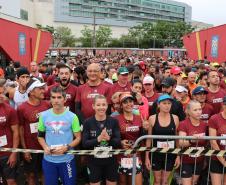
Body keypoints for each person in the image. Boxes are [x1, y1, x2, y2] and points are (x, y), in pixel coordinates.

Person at [37, 86, 81, 185]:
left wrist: (67, 147)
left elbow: (78, 138)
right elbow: (40, 136)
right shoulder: (43, 116)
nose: (56, 100)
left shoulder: (72, 117)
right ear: (50, 99)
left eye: (59, 97)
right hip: (49, 160)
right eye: (53, 97)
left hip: (67, 160)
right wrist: (45, 147)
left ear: (65, 99)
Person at [17, 79, 50, 185]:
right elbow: (21, 129)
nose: (42, 90)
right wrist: (25, 149)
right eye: (39, 88)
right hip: (31, 148)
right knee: (30, 175)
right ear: (31, 92)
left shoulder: (47, 105)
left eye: (42, 88)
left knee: (45, 173)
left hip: (46, 147)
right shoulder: (22, 108)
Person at [82, 95, 121, 185]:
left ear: (107, 106)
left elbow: (118, 142)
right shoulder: (88, 122)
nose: (101, 107)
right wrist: (98, 139)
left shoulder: (113, 121)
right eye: (98, 105)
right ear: (93, 106)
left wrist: (109, 139)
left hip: (110, 161)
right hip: (94, 162)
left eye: (103, 105)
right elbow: (84, 143)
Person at [145, 94, 180, 185]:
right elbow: (149, 139)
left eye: (169, 103)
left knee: (165, 181)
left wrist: (178, 156)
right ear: (158, 104)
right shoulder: (152, 118)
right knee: (157, 180)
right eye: (164, 103)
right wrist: (147, 157)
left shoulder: (175, 118)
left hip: (170, 154)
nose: (167, 105)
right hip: (156, 154)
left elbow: (177, 139)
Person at [115, 92, 145, 185]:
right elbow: (113, 138)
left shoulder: (139, 117)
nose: (129, 104)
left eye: (130, 101)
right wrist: (120, 142)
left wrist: (146, 129)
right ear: (121, 105)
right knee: (123, 182)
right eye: (125, 102)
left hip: (136, 155)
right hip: (122, 156)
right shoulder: (116, 119)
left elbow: (143, 137)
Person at [178, 100, 207, 185]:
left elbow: (206, 143)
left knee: (194, 182)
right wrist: (192, 140)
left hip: (199, 161)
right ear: (188, 112)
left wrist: (204, 158)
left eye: (200, 109)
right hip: (186, 161)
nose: (198, 112)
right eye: (195, 110)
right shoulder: (183, 124)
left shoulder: (204, 125)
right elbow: (181, 142)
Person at [0, 79, 19, 185]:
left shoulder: (9, 110)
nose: (2, 96)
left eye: (3, 93)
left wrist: (14, 153)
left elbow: (16, 132)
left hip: (7, 154)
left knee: (11, 182)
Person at [208, 96, 226, 185]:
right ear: (223, 105)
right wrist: (223, 161)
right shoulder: (214, 118)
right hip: (217, 157)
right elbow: (213, 141)